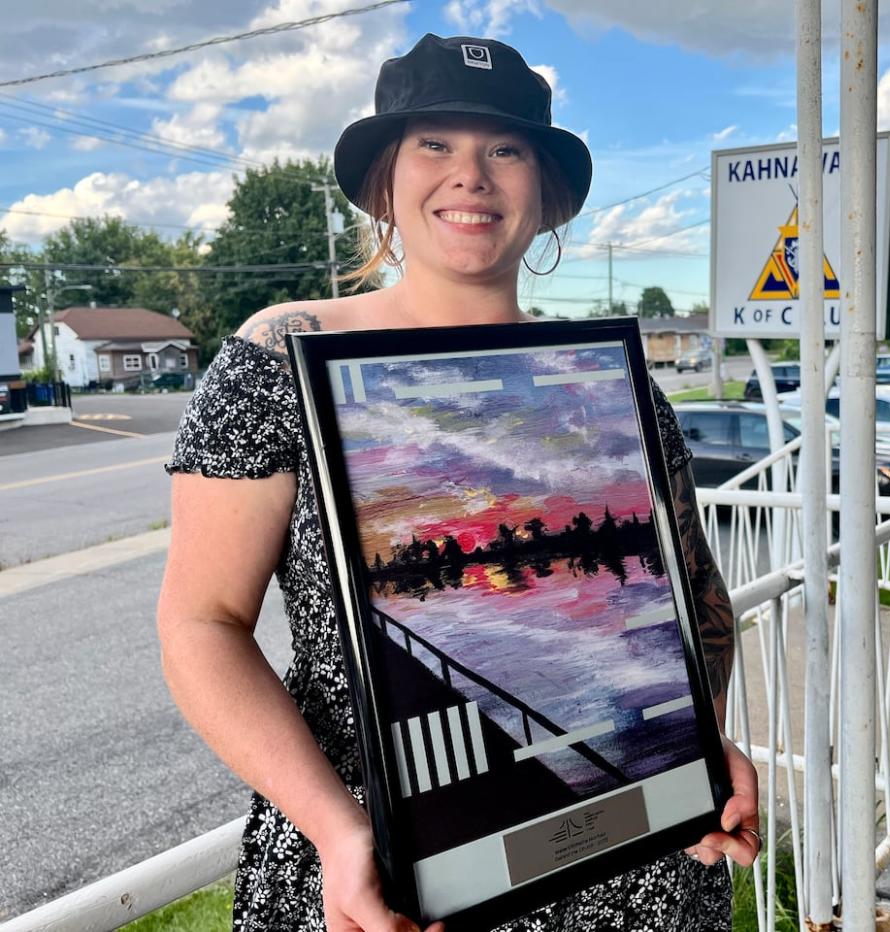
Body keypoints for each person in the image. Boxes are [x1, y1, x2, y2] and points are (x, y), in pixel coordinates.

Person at [157, 33, 760, 932]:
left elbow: (698, 599)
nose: (470, 176)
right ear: (385, 184)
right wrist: (339, 832)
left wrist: (697, 745)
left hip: (635, 877)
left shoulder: (611, 382)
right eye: (434, 144)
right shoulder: (278, 359)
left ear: (546, 195)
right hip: (388, 880)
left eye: (504, 150)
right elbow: (200, 624)